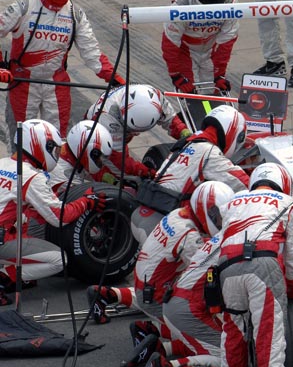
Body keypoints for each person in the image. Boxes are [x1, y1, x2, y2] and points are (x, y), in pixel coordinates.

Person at [218, 162, 293, 367]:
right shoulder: (289, 203)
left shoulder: (232, 203)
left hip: (226, 266)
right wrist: (292, 289)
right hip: (263, 265)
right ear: (283, 183)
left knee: (233, 330)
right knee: (268, 335)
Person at [128, 181, 236, 367]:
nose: (219, 221)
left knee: (201, 335)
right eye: (216, 216)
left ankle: (159, 344)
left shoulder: (179, 214)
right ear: (203, 208)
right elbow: (203, 273)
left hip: (149, 285)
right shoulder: (191, 237)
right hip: (158, 296)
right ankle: (167, 366)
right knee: (227, 351)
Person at [0, 0, 124, 139]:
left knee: (59, 140)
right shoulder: (24, 7)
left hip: (57, 84)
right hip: (22, 81)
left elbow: (92, 53)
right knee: (19, 139)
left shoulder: (76, 15)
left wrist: (115, 78)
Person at [0, 119, 107, 305]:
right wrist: (86, 201)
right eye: (54, 149)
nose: (56, 155)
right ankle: (4, 276)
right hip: (2, 240)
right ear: (40, 145)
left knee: (23, 221)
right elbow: (60, 217)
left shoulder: (3, 163)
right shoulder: (31, 177)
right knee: (59, 260)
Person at [129, 104, 249, 244]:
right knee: (210, 254)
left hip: (141, 214)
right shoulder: (210, 153)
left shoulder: (187, 143)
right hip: (162, 224)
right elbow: (242, 183)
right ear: (232, 132)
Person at [84, 83, 191, 182]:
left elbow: (171, 120)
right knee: (119, 175)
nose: (137, 133)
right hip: (96, 130)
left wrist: (186, 134)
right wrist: (147, 172)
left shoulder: (155, 97)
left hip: (121, 125)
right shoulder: (107, 119)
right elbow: (120, 161)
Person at [162, 0, 239, 95]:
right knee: (191, 96)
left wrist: (219, 74)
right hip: (186, 53)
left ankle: (210, 107)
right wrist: (175, 74)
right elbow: (170, 43)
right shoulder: (181, 6)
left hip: (211, 51)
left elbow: (226, 42)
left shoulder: (231, 3)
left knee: (215, 94)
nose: (213, 0)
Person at [47, 120, 113, 192]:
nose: (100, 161)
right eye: (98, 157)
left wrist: (103, 176)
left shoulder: (62, 146)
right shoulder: (67, 178)